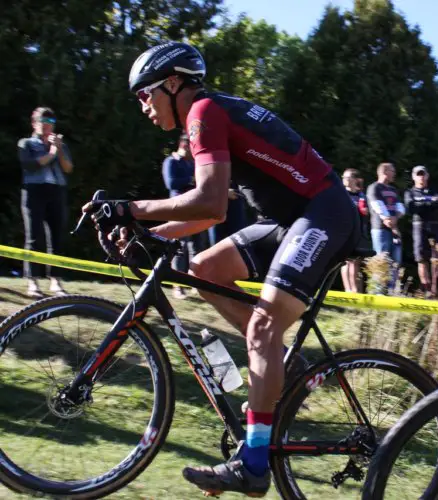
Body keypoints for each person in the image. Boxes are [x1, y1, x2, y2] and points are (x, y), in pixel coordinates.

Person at [85, 42, 359, 497]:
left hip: (325, 214)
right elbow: (212, 211)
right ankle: (286, 367)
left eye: (144, 93)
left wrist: (129, 209)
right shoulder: (210, 116)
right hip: (289, 221)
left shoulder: (205, 112)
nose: (142, 106)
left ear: (173, 84)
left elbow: (208, 201)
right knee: (206, 268)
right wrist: (157, 235)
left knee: (262, 329)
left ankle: (253, 464)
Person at [17, 107, 74, 298]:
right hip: (34, 191)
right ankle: (32, 282)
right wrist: (51, 152)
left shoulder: (59, 144)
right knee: (33, 237)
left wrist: (58, 150)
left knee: (56, 237)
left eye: (51, 123)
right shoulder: (26, 143)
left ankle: (56, 281)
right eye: (43, 122)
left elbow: (68, 168)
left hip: (56, 190)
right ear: (34, 123)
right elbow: (31, 165)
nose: (47, 126)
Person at [162, 133, 207, 299]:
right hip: (179, 210)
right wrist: (192, 179)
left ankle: (195, 283)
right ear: (183, 144)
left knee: (197, 247)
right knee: (180, 249)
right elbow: (171, 183)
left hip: (195, 210)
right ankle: (178, 287)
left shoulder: (192, 163)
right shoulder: (171, 162)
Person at [404, 165, 438, 298]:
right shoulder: (410, 193)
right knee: (421, 259)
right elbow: (411, 207)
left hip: (435, 226)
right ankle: (427, 290)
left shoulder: (435, 190)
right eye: (418, 174)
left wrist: (421, 205)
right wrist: (429, 203)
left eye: (423, 174)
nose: (421, 177)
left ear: (427, 176)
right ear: (413, 177)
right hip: (419, 227)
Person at [366, 162, 404, 292]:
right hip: (380, 229)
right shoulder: (374, 187)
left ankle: (391, 290)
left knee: (396, 261)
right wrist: (386, 218)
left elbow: (400, 207)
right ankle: (377, 291)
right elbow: (377, 205)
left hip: (393, 229)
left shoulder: (393, 190)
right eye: (392, 171)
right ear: (384, 171)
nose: (394, 173)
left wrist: (395, 218)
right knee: (381, 259)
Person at [341, 168, 368, 293]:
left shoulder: (361, 195)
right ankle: (349, 290)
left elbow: (365, 212)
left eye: (347, 177)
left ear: (355, 180)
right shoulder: (341, 193)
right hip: (344, 232)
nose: (344, 180)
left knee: (356, 262)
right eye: (344, 177)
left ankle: (355, 291)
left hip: (358, 233)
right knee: (346, 262)